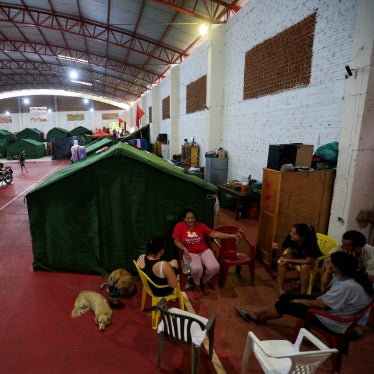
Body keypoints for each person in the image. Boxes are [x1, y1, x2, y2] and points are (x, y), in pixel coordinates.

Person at [234, 251, 373, 334]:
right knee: (286, 297)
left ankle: (258, 318)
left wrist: (300, 301)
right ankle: (255, 312)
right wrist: (329, 270)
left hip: (330, 319)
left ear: (340, 268)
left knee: (283, 305)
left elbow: (321, 305)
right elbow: (325, 286)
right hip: (330, 307)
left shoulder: (348, 286)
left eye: (333, 265)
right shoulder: (350, 275)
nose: (330, 265)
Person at [172, 208, 240, 300]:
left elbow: (214, 234)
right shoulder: (179, 226)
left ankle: (204, 281)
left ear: (195, 218)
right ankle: (197, 285)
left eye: (192, 218)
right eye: (188, 218)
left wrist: (231, 236)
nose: (190, 220)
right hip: (190, 252)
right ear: (184, 219)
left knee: (215, 267)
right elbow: (176, 241)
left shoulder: (200, 225)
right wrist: (184, 249)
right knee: (196, 268)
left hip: (204, 250)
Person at [338, 230, 374, 339]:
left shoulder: (371, 255)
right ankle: (340, 315)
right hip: (359, 273)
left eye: (347, 246)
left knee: (367, 290)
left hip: (370, 277)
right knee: (340, 281)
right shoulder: (343, 247)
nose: (343, 248)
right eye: (343, 244)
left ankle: (360, 325)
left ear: (358, 248)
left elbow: (370, 279)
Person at [275, 223, 322, 294]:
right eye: (291, 232)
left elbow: (308, 260)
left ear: (302, 237)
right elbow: (282, 249)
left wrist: (287, 260)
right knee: (281, 261)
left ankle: (302, 293)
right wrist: (277, 247)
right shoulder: (290, 237)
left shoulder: (310, 242)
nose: (291, 234)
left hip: (308, 260)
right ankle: (280, 288)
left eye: (294, 234)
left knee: (304, 267)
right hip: (296, 255)